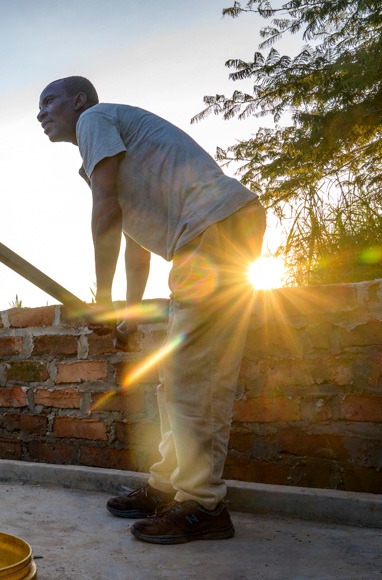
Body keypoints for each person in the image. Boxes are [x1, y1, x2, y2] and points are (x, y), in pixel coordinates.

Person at [37, 76, 266, 544]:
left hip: (212, 228)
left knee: (193, 375)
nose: (40, 114)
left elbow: (107, 211)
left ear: (79, 101)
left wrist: (101, 300)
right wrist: (128, 311)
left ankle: (203, 504)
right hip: (206, 234)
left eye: (48, 102)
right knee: (176, 375)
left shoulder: (96, 120)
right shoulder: (115, 143)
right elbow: (136, 243)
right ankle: (169, 486)